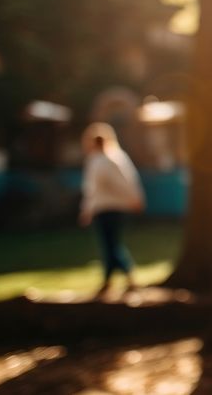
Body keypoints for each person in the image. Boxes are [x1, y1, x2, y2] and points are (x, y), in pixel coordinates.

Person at [79, 122, 145, 298]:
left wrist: (133, 198)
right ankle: (114, 279)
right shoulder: (110, 158)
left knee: (111, 244)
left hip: (109, 208)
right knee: (110, 244)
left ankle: (123, 277)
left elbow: (96, 188)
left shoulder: (105, 160)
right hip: (107, 207)